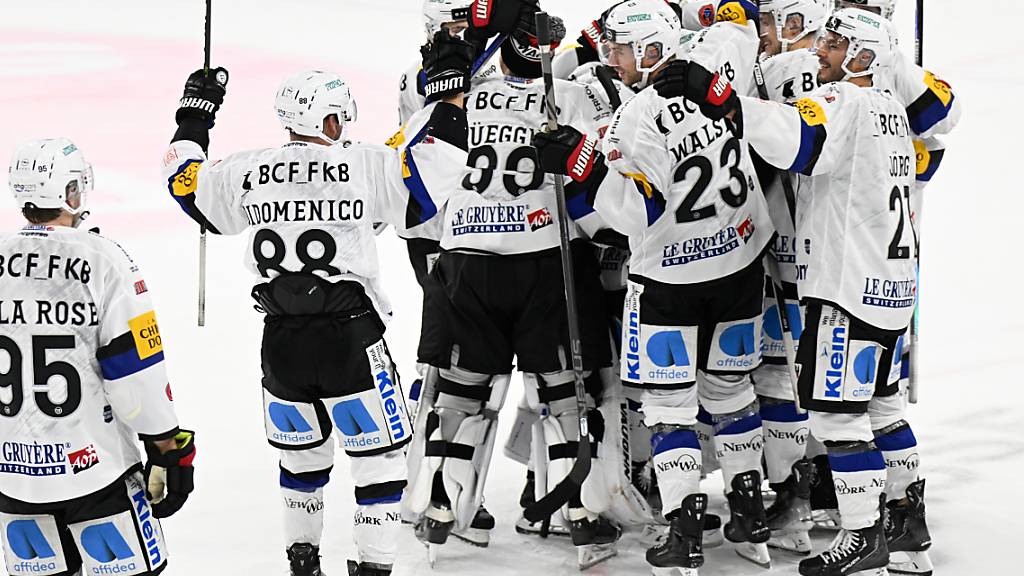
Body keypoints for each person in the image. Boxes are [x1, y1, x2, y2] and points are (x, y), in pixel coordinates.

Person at [159, 30, 472, 576]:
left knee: (301, 460)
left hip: (279, 343)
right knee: (379, 464)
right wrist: (448, 96)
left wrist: (195, 116)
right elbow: (435, 174)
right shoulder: (365, 164)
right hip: (351, 339)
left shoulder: (247, 169)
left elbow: (186, 186)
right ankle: (372, 568)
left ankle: (302, 561)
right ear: (331, 121)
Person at [658, 7, 920, 575]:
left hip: (847, 288)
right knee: (884, 409)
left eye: (833, 44)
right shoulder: (893, 110)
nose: (820, 51)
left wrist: (719, 95)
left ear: (863, 57)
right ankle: (908, 524)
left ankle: (864, 534)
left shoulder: (845, 102)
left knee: (838, 419)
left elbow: (795, 138)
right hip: (895, 286)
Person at [535, 0, 778, 572]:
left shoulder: (632, 119)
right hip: (741, 263)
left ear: (648, 51)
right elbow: (740, 24)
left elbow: (635, 211)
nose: (612, 58)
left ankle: (684, 529)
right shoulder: (718, 61)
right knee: (730, 390)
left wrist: (583, 165)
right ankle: (749, 517)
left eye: (619, 48)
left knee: (669, 407)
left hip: (670, 281)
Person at [405, 0, 623, 569]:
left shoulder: (448, 96)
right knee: (564, 391)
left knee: (461, 392)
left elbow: (414, 180)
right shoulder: (571, 94)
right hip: (546, 262)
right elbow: (600, 190)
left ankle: (443, 505)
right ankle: (579, 512)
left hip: (465, 264)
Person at [1, 138, 196, 576]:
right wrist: (167, 447)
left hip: (11, 481)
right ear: (70, 193)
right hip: (95, 472)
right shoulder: (104, 258)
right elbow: (135, 371)